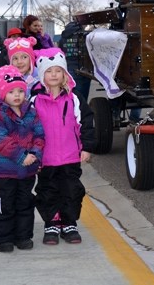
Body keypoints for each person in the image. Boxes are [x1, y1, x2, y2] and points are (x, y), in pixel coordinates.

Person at [32, 47, 94, 245]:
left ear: (64, 73)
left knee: (71, 190)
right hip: (45, 157)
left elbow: (86, 121)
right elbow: (28, 128)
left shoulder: (74, 98)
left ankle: (69, 222)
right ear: (42, 74)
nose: (53, 75)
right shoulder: (34, 101)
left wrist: (87, 147)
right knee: (47, 190)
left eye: (58, 71)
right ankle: (51, 222)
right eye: (49, 71)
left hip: (70, 156)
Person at [0, 65, 45, 252]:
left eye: (20, 90)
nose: (17, 95)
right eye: (11, 91)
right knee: (4, 204)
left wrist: (35, 154)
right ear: (3, 93)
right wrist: (21, 156)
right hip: (3, 172)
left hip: (27, 171)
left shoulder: (31, 111)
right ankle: (2, 238)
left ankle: (23, 236)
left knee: (25, 204)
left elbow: (39, 135)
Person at [0, 36, 40, 151]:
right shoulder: (5, 81)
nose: (20, 62)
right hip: (8, 133)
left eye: (24, 57)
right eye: (15, 58)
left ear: (31, 58)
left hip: (33, 134)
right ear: (10, 60)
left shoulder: (40, 81)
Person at [59, 17, 91, 101]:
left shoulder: (64, 35)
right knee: (82, 99)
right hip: (83, 68)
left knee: (71, 95)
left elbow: (61, 51)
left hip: (69, 67)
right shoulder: (84, 35)